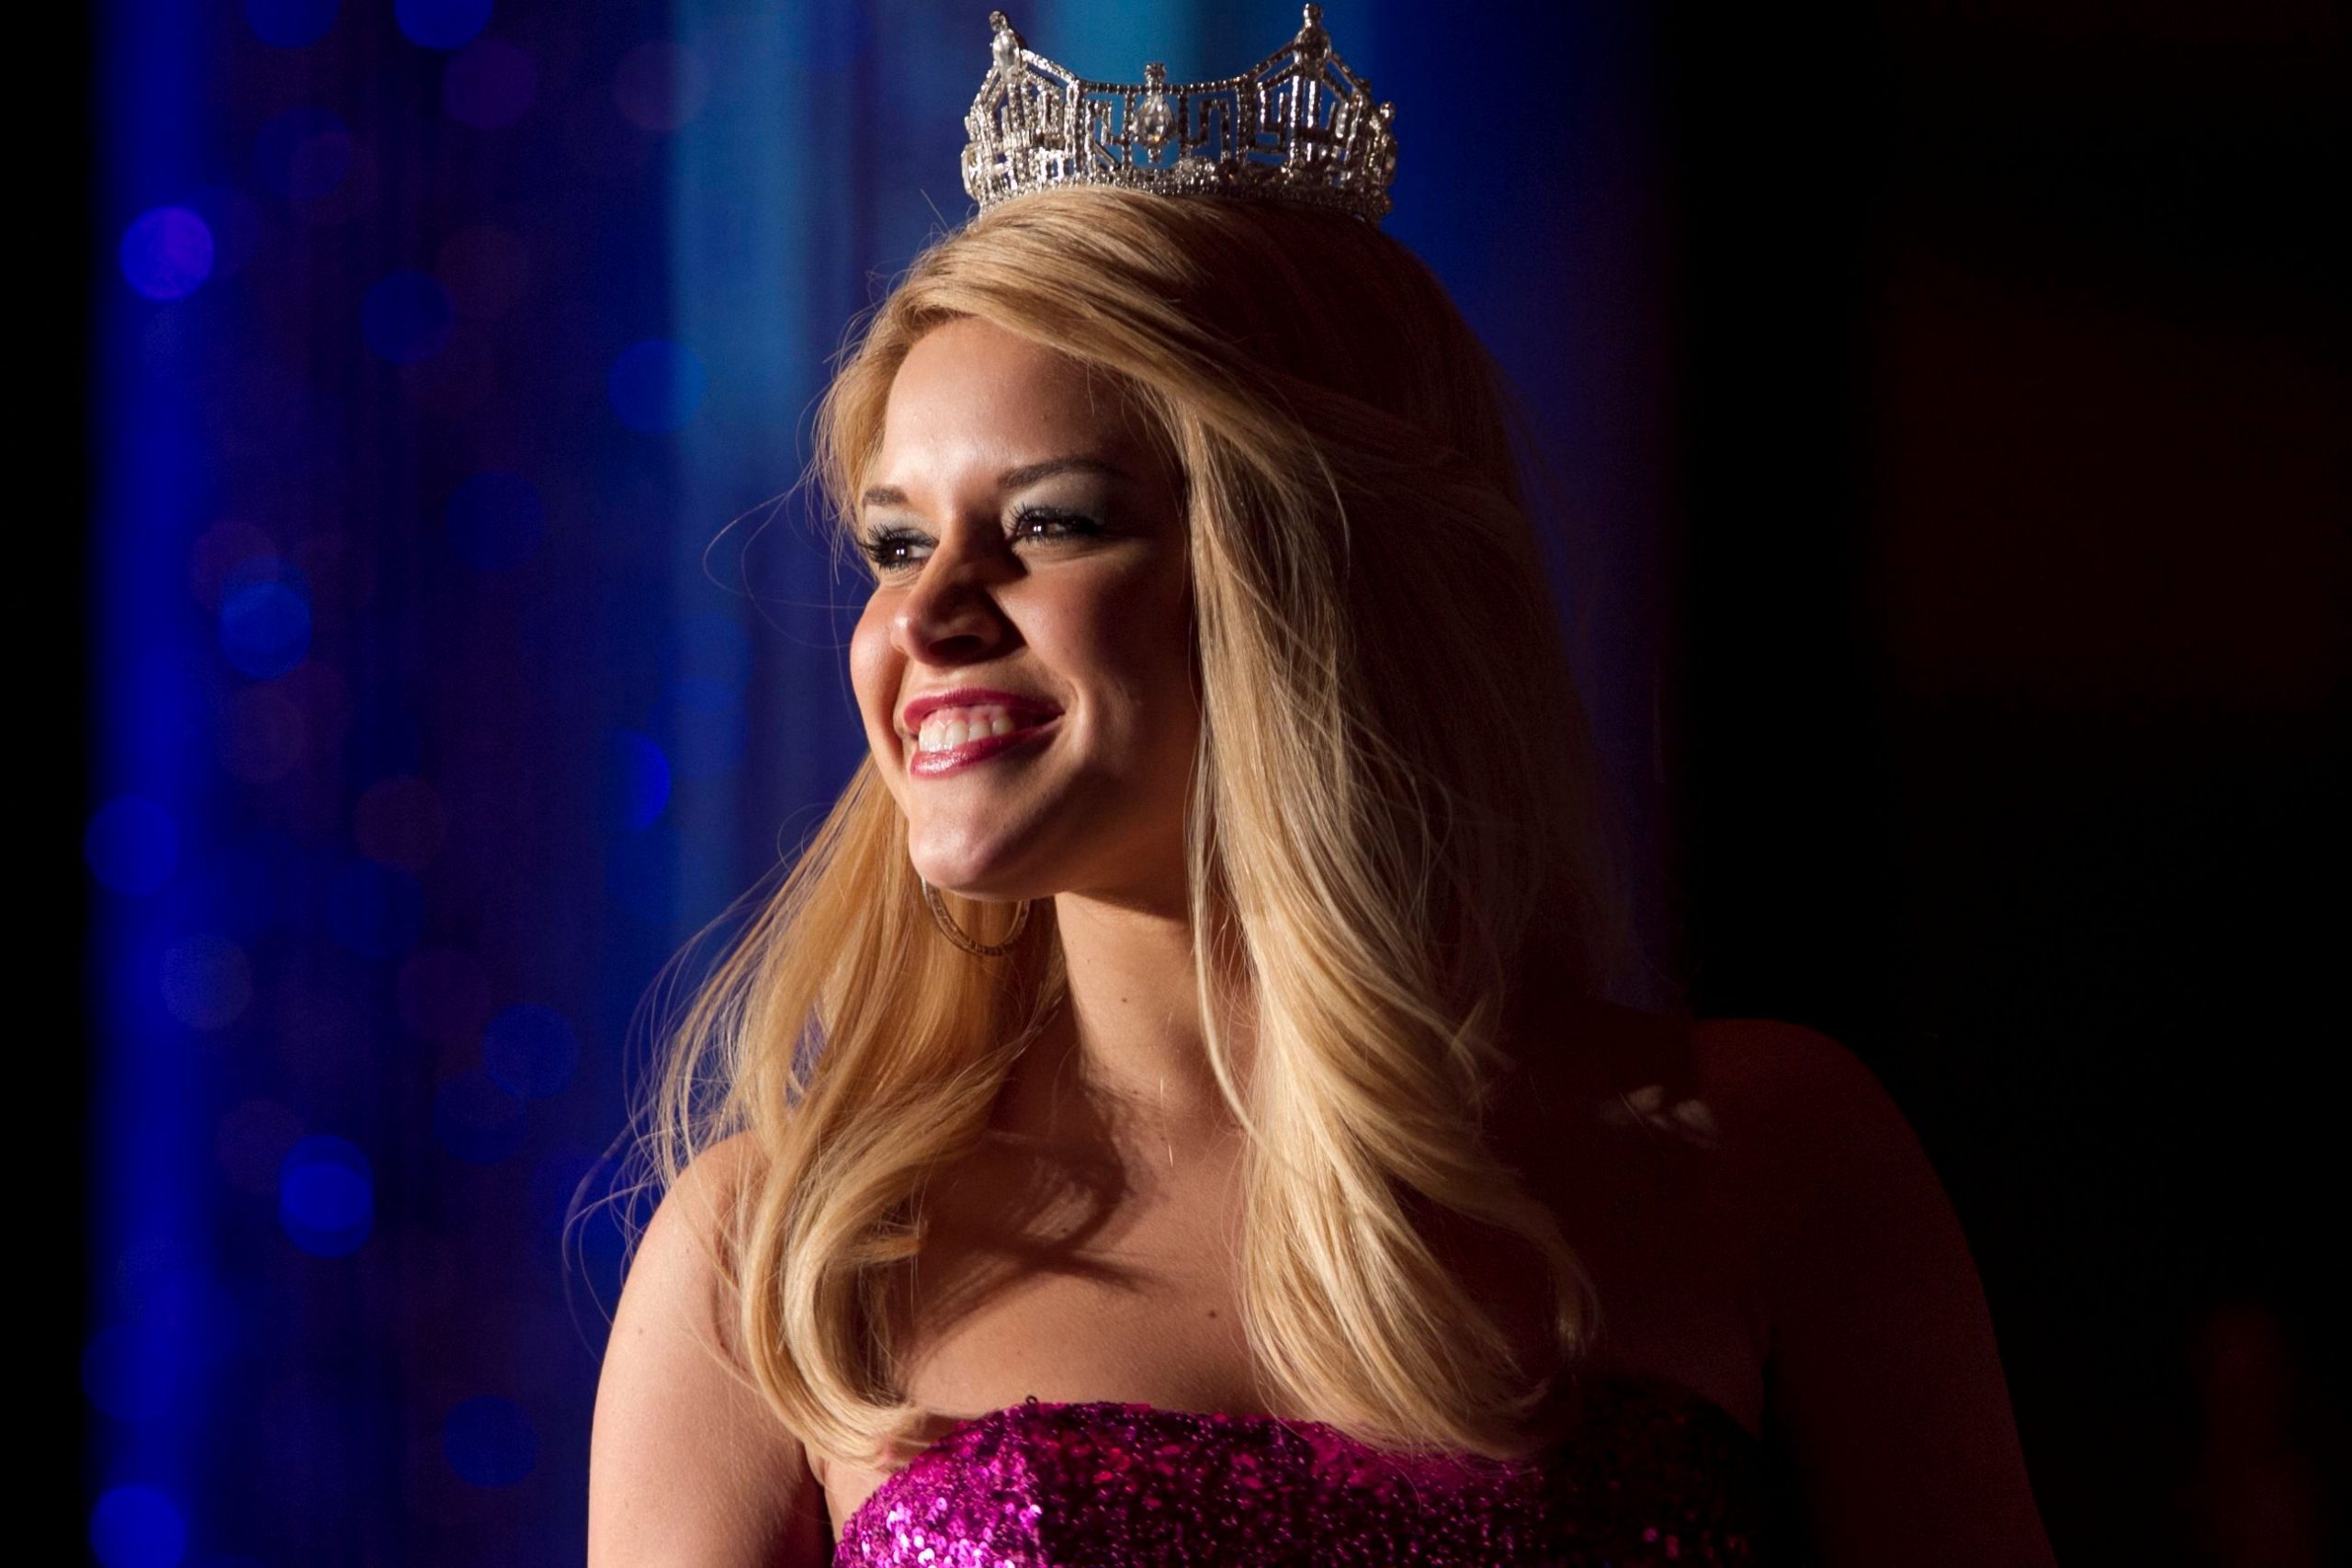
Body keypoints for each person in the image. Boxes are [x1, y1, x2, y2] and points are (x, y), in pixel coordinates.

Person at [586, 8, 2057, 1564]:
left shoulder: (1763, 1157)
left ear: (1313, 572)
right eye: (894, 543)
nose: (925, 617)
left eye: (1051, 524)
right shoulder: (784, 1261)